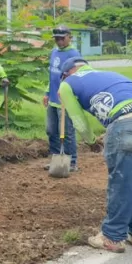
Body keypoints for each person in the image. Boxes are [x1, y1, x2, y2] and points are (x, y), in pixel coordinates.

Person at [59, 57, 132, 253]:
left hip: (128, 123)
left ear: (67, 73)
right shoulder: (108, 74)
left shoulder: (67, 84)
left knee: (123, 181)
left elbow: (78, 120)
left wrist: (91, 141)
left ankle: (113, 236)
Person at [45, 25, 80, 170]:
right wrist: (47, 93)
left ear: (69, 37)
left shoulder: (74, 54)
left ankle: (71, 162)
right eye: (56, 39)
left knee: (67, 132)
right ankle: (55, 159)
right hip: (53, 99)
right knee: (51, 130)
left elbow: (78, 77)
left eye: (62, 38)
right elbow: (52, 75)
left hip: (66, 100)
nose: (59, 41)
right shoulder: (54, 52)